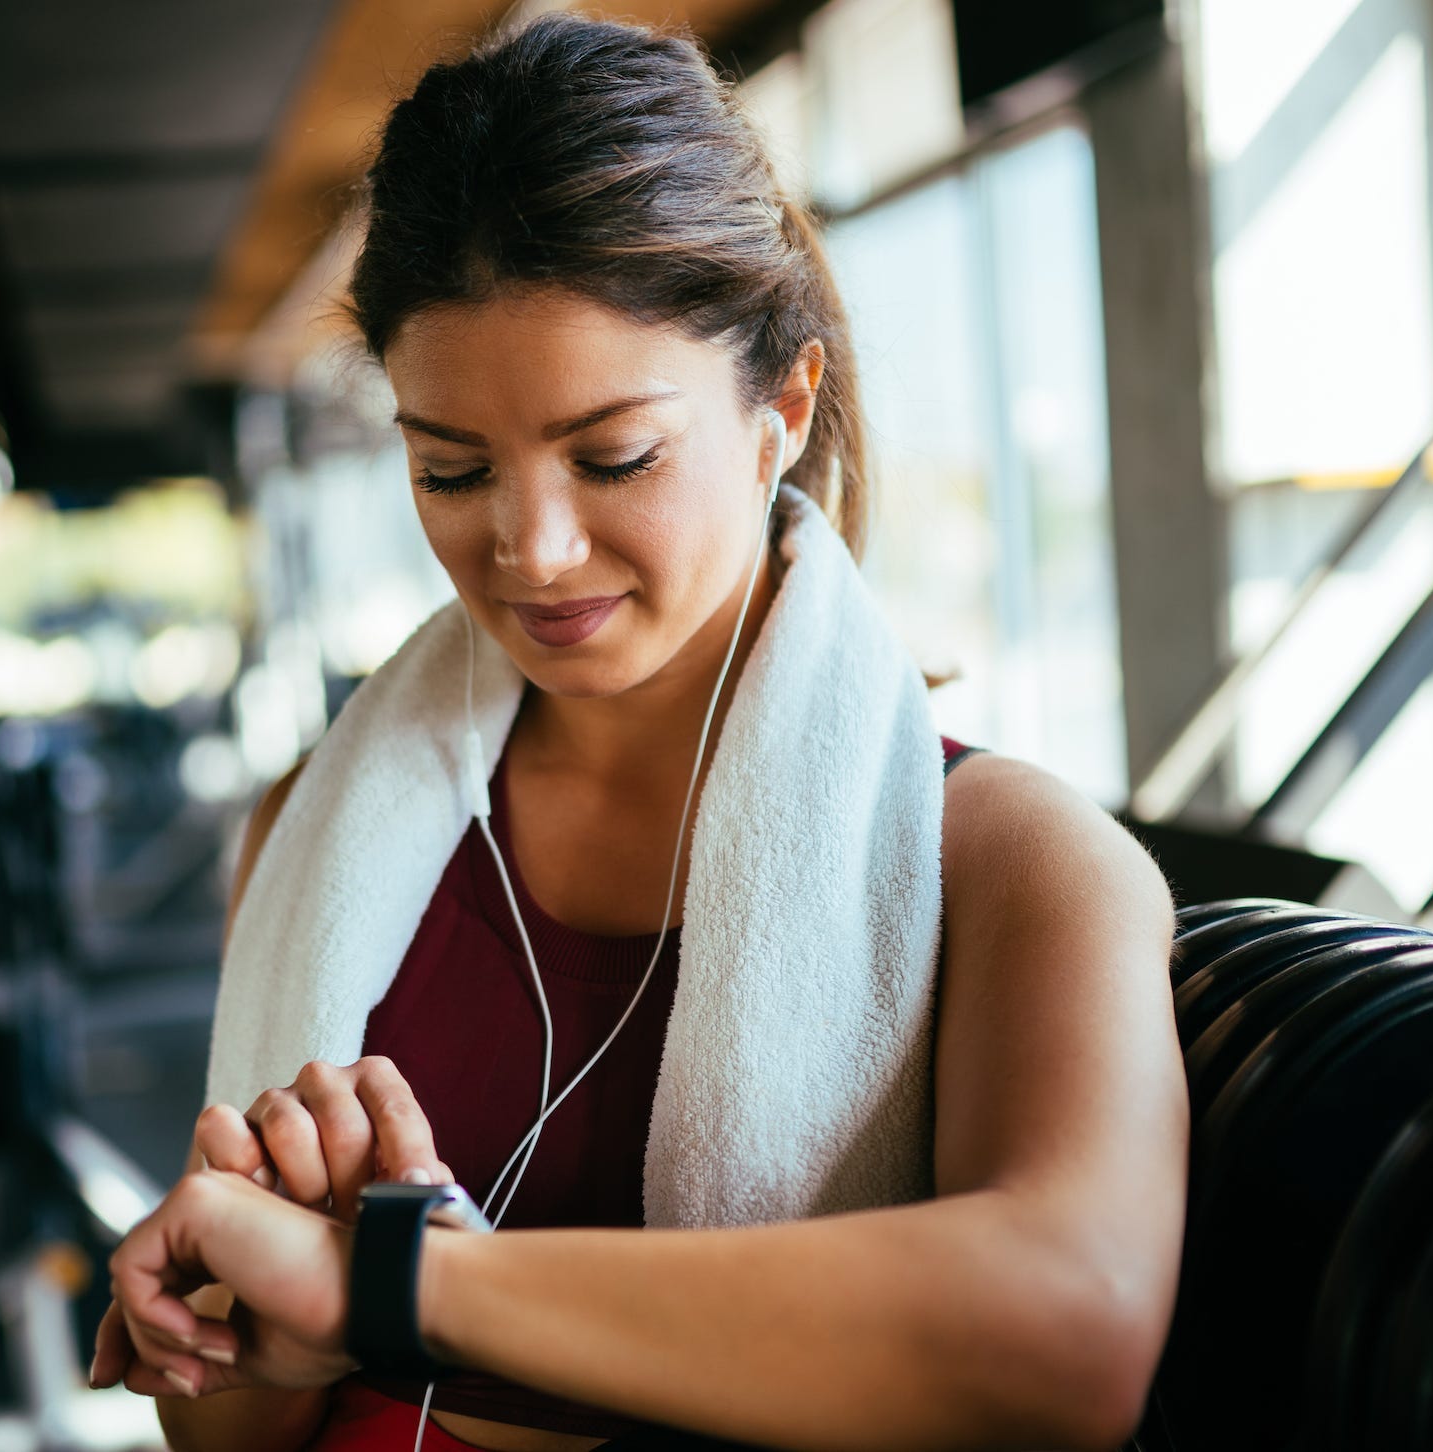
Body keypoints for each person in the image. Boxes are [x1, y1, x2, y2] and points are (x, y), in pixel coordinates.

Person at [88, 13, 1186, 1452]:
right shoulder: (312, 827)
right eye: (452, 469)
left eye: (616, 457)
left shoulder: (1012, 862)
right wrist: (244, 1327)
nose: (532, 550)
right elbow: (224, 1438)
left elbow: (1066, 1343)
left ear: (782, 406)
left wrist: (400, 1289)